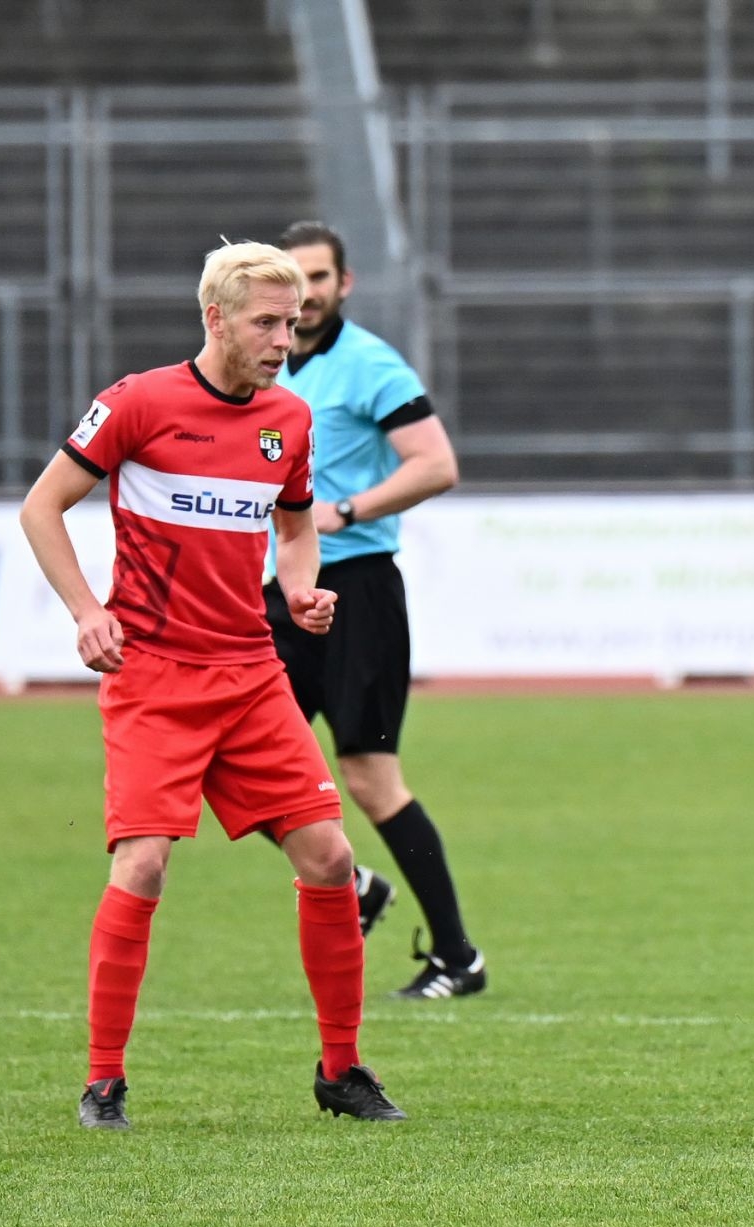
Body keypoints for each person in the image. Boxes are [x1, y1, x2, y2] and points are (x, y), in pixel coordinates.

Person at [17, 241, 406, 1129]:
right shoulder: (137, 403)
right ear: (215, 318)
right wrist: (86, 611)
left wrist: (301, 587)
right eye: (266, 322)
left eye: (294, 321)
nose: (283, 338)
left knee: (333, 860)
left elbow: (297, 528)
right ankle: (104, 1080)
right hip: (153, 675)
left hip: (250, 674)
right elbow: (42, 508)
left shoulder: (289, 420)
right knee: (145, 864)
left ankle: (341, 1070)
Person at [266, 221, 484, 999]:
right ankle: (355, 884)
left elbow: (438, 464)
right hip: (276, 595)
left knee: (370, 779)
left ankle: (459, 958)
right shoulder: (259, 367)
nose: (309, 292)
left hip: (356, 589)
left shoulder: (368, 364)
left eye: (321, 277)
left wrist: (347, 509)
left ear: (344, 283)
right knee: (241, 757)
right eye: (295, 279)